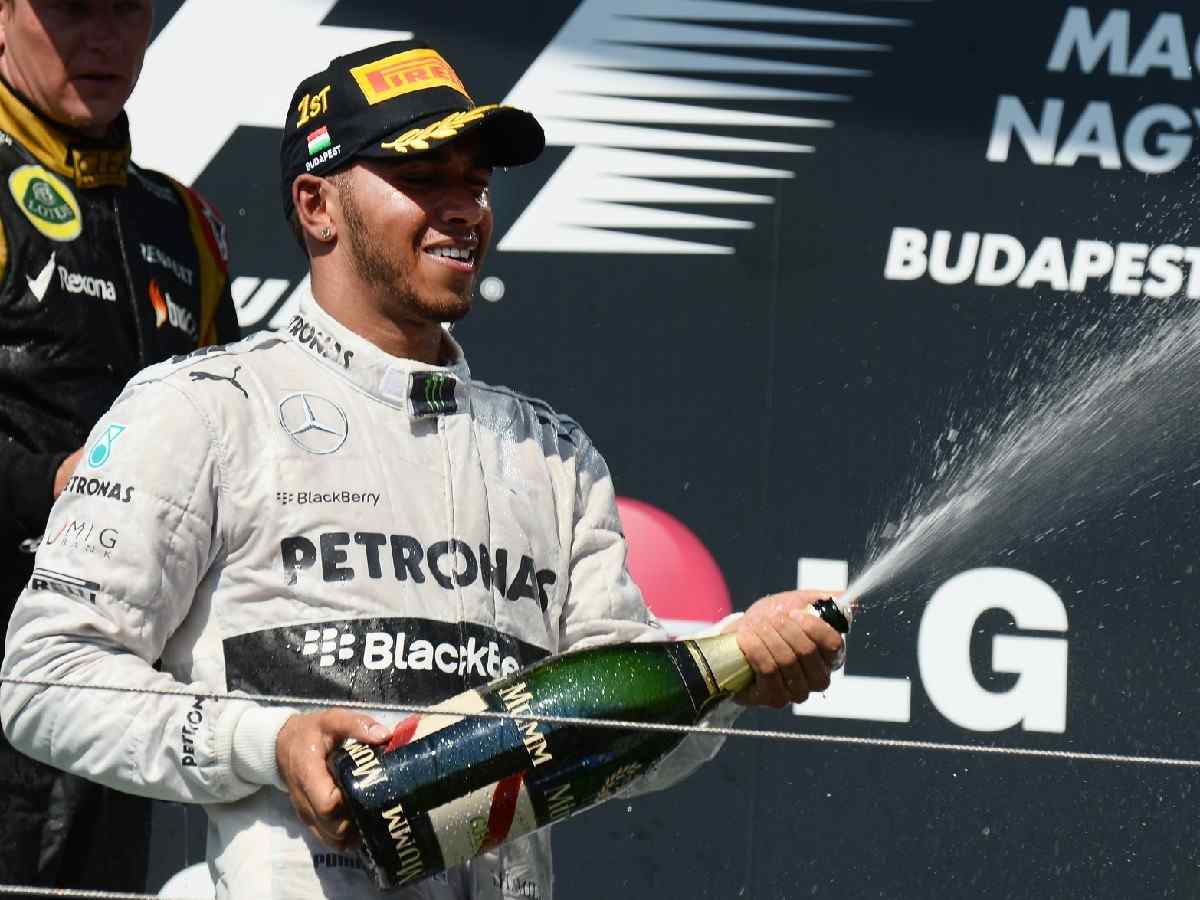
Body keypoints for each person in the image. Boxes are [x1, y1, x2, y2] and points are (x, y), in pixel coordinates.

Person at [0, 39, 841, 900]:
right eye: (422, 178)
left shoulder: (551, 452)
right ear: (317, 205)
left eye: (473, 182)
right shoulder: (203, 408)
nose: (462, 209)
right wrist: (267, 742)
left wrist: (736, 665)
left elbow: (606, 733)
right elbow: (43, 680)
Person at [0, 0, 240, 890]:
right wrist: (49, 483)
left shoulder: (182, 223)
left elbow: (233, 443)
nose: (101, 40)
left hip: (112, 692)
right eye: (69, 12)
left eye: (124, 11)